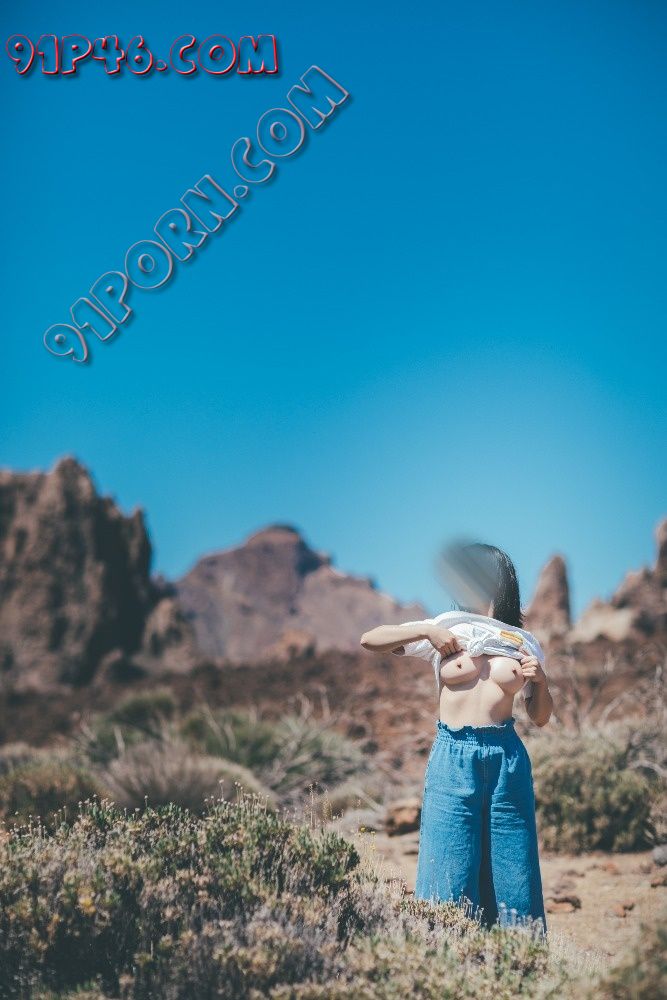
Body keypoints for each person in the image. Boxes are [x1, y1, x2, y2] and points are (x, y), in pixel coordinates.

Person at [360, 542, 552, 933]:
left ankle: (521, 959)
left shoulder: (523, 641)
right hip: (453, 754)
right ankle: (443, 955)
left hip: (506, 757)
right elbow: (370, 639)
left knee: (514, 865)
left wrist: (542, 682)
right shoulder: (447, 625)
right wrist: (426, 629)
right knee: (447, 862)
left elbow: (540, 717)